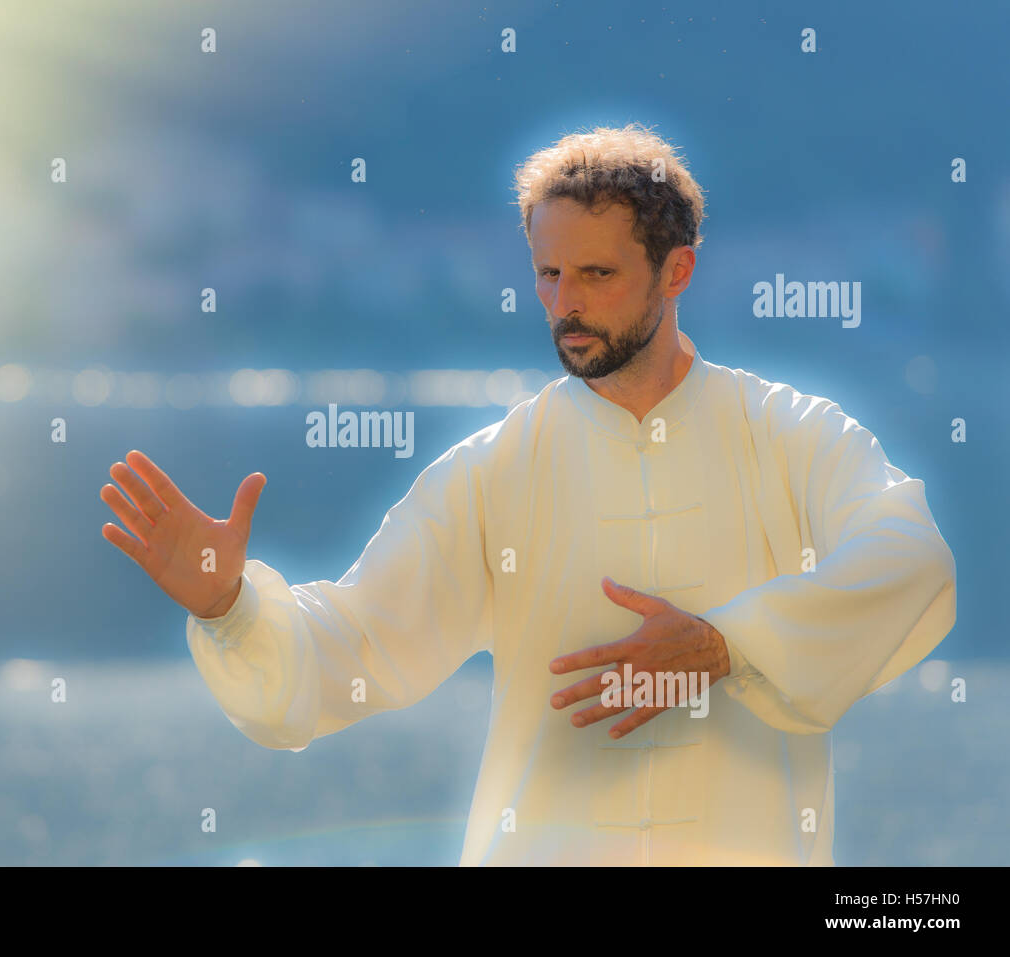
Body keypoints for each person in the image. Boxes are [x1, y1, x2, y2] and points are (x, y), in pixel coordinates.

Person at [99, 124, 957, 865]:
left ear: (677, 270)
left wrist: (726, 645)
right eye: (548, 274)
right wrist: (231, 609)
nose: (565, 305)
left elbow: (913, 560)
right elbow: (355, 643)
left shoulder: (792, 435)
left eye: (596, 274)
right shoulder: (496, 467)